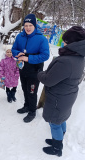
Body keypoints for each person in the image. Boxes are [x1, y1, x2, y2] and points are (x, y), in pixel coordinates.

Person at [37, 26, 85, 157]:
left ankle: (57, 148)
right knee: (61, 119)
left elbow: (48, 80)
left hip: (58, 98)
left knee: (55, 122)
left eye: (65, 41)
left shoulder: (66, 61)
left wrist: (40, 73)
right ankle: (58, 139)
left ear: (72, 43)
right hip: (67, 95)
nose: (63, 43)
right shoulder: (79, 56)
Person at [12, 14, 49, 123]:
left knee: (32, 91)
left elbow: (45, 55)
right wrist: (18, 54)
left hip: (35, 70)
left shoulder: (41, 38)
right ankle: (26, 106)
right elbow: (13, 49)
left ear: (35, 25)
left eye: (30, 25)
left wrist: (28, 58)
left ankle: (32, 111)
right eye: (26, 25)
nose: (27, 28)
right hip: (22, 68)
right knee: (24, 88)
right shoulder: (20, 36)